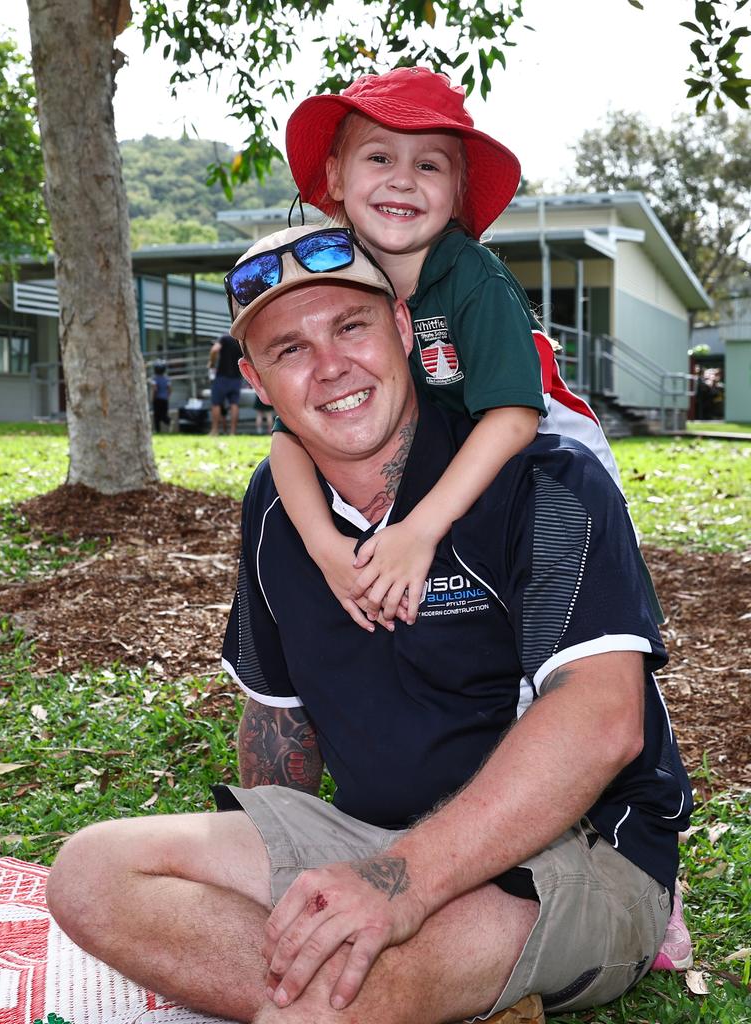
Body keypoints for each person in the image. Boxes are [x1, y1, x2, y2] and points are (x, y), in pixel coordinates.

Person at [45, 226, 693, 1024]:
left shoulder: (548, 479)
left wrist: (399, 883)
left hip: (573, 855)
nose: (329, 367)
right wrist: (272, 864)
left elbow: (601, 724)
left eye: (350, 326)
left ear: (400, 326)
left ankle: (345, 997)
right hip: (370, 837)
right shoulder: (278, 508)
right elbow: (277, 718)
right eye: (289, 348)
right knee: (89, 873)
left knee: (351, 992)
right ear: (256, 381)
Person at [271, 66, 639, 634]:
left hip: (544, 457)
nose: (402, 180)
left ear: (455, 192)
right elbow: (287, 443)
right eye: (378, 158)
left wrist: (418, 531)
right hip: (453, 462)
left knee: (559, 616)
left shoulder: (473, 276)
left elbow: (514, 418)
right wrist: (326, 551)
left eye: (428, 164)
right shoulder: (336, 280)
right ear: (336, 177)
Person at [209, 331, 243, 435]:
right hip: (237, 378)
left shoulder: (224, 338)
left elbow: (214, 350)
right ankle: (233, 432)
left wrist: (212, 363)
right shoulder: (240, 341)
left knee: (216, 403)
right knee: (234, 404)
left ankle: (215, 430)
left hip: (222, 377)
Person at [149, 358, 171, 433]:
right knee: (164, 414)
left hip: (157, 399)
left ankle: (158, 430)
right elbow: (169, 389)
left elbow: (155, 389)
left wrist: (152, 398)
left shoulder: (154, 379)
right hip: (165, 399)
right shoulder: (167, 378)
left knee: (157, 416)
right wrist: (167, 396)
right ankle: (169, 421)